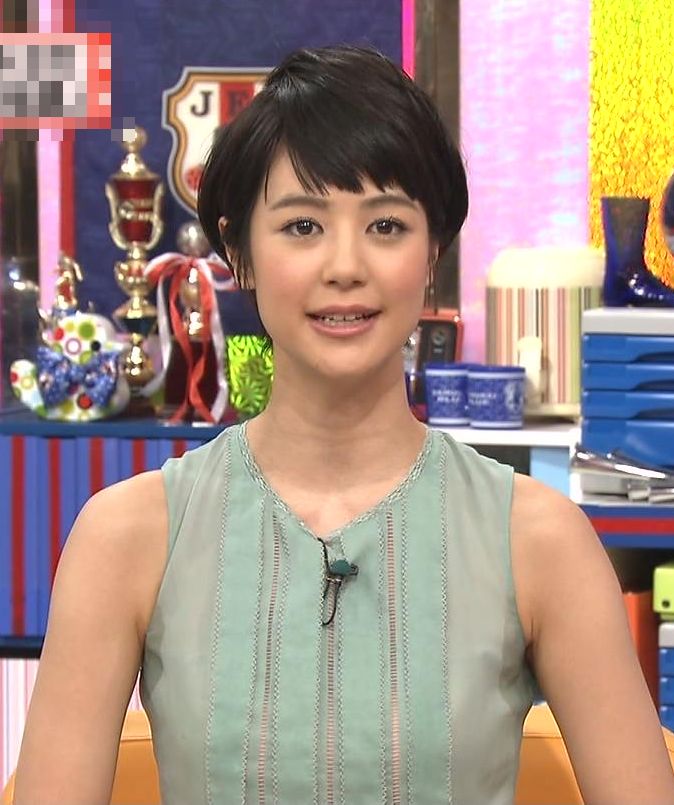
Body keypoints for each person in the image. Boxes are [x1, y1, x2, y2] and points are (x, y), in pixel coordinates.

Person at [13, 45, 674, 805]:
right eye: (302, 226)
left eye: (387, 225)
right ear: (240, 253)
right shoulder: (126, 537)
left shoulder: (541, 540)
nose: (346, 265)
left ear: (432, 253)